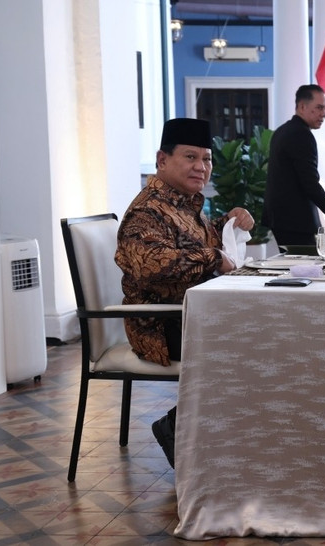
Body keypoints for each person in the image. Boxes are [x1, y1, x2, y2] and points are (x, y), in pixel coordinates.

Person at [115, 117, 255, 468]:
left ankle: (223, 435)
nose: (201, 167)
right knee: (252, 340)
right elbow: (152, 264)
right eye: (190, 157)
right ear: (162, 160)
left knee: (264, 331)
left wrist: (227, 224)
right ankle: (178, 426)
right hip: (159, 325)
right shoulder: (147, 211)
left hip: (192, 316)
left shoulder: (185, 204)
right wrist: (213, 257)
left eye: (206, 159)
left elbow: (199, 244)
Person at [262, 84, 325, 246]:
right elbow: (309, 183)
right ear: (302, 106)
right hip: (295, 221)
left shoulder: (283, 130)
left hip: (283, 219)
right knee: (306, 270)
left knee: (298, 268)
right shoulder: (301, 134)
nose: (323, 114)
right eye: (319, 108)